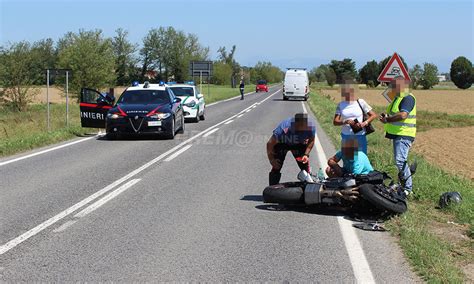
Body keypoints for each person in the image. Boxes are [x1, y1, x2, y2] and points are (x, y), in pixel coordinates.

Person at [379, 76, 416, 194]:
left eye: (394, 85)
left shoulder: (408, 97)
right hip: (397, 134)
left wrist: (388, 120)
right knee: (400, 160)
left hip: (404, 133)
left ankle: (408, 189)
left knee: (400, 160)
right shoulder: (397, 98)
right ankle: (404, 182)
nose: (392, 87)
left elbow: (403, 115)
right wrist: (386, 116)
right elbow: (394, 113)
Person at [267, 113, 316, 185]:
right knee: (277, 165)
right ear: (295, 125)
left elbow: (311, 140)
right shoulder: (283, 128)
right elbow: (269, 144)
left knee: (304, 164)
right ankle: (271, 189)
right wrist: (272, 160)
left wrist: (306, 154)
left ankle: (309, 188)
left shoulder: (311, 127)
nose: (303, 130)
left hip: (298, 143)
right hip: (282, 143)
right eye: (301, 128)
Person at [333, 82, 377, 154]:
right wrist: (344, 121)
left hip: (360, 135)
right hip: (346, 135)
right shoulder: (340, 105)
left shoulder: (360, 102)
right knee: (347, 159)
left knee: (362, 158)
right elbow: (335, 122)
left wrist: (364, 123)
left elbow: (373, 115)